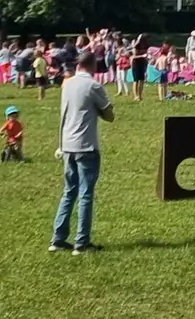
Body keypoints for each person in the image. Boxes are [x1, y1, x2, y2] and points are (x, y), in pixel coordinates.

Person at [50, 52, 115, 254]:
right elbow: (110, 115)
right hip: (86, 145)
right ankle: (82, 242)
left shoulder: (67, 84)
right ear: (93, 65)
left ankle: (58, 239)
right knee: (86, 194)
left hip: (67, 144)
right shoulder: (94, 86)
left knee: (69, 192)